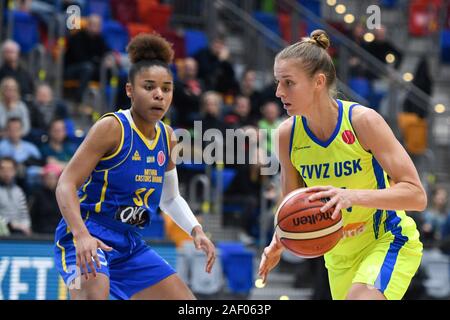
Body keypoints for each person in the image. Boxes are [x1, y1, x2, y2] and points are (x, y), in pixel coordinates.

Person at [258, 30, 427, 300]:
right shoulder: (286, 135)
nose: (278, 92)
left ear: (318, 82)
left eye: (289, 82)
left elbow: (417, 196)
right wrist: (278, 242)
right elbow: (292, 204)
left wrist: (350, 196)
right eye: (278, 82)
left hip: (386, 239)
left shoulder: (363, 121)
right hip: (337, 255)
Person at [54, 33, 216, 300]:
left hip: (128, 243)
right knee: (95, 294)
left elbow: (171, 197)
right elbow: (65, 184)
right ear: (130, 90)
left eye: (166, 88)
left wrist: (196, 230)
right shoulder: (112, 128)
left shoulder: (168, 136)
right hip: (88, 231)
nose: (159, 95)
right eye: (149, 87)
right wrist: (81, 236)